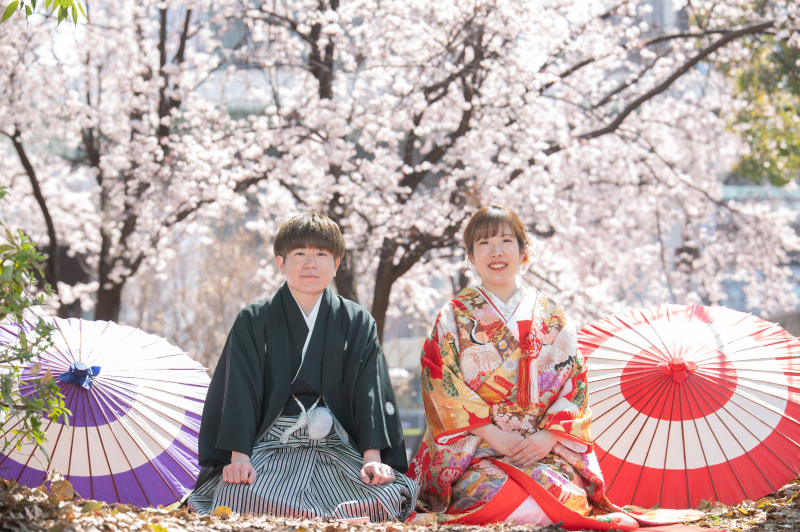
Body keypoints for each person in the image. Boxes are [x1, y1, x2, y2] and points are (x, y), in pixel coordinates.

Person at [406, 204, 703, 530]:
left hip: (542, 449)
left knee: (561, 497)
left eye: (506, 241)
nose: (496, 252)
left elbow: (574, 383)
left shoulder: (552, 316)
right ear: (471, 256)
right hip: (478, 449)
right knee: (489, 496)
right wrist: (491, 433)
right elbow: (439, 379)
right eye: (483, 243)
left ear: (523, 251)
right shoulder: (454, 316)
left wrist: (548, 436)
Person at [188, 212, 419, 521]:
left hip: (337, 444)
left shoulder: (357, 321)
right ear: (281, 262)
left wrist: (372, 458)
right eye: (300, 253)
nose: (311, 263)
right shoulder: (255, 320)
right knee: (239, 493)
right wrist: (239, 457)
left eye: (322, 254)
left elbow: (369, 392)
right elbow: (240, 390)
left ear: (336, 264)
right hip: (273, 444)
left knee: (383, 496)